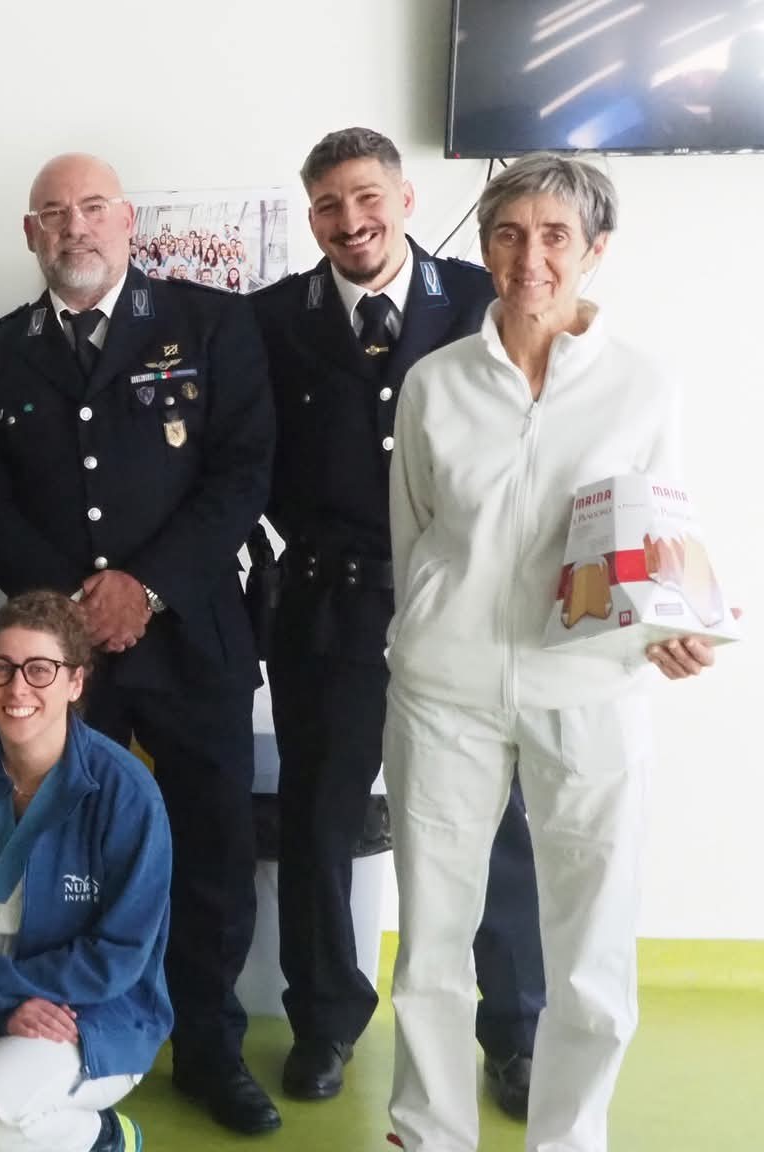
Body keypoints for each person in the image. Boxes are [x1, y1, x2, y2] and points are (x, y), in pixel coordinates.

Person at [384, 152, 727, 1152]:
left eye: (551, 237)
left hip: (587, 687)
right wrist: (423, 636)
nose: (527, 257)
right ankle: (427, 1131)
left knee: (588, 941)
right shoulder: (432, 383)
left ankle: (568, 1137)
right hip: (443, 690)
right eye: (505, 233)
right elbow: (412, 539)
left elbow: (662, 535)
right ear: (481, 246)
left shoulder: (640, 386)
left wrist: (670, 629)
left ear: (592, 252)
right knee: (432, 942)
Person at [0, 152, 280, 1134]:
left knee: (210, 852)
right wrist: (65, 613)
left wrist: (145, 585)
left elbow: (242, 472)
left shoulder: (210, 325)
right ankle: (65, 1038)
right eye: (52, 213)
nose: (73, 227)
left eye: (92, 209)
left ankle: (209, 1053)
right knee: (56, 861)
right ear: (29, 234)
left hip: (191, 642)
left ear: (127, 221)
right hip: (58, 666)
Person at [249, 127, 544, 1112]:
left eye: (365, 197)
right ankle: (324, 1020)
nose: (350, 221)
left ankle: (512, 1031)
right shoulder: (270, 321)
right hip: (325, 609)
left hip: (459, 604)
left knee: (490, 820)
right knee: (318, 821)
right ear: (310, 219)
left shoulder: (475, 300)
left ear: (405, 199)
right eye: (328, 205)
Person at [0, 591, 169, 1152]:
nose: (18, 688)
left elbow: (118, 954)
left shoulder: (126, 794)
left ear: (75, 682)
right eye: (2, 668)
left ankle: (105, 1139)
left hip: (90, 1013)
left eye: (40, 670)